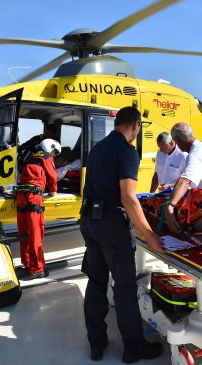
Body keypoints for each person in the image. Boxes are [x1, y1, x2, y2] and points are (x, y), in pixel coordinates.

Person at [80, 106, 164, 363]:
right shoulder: (127, 151)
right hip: (111, 226)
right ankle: (133, 349)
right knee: (125, 289)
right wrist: (149, 235)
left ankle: (96, 344)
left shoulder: (98, 148)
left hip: (89, 222)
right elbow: (128, 197)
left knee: (96, 283)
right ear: (136, 125)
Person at [163, 122, 202, 232]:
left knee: (164, 207)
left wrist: (170, 206)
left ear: (177, 140)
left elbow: (185, 181)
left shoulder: (195, 155)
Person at [16, 138, 60, 280]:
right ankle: (37, 269)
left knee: (24, 233)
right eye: (54, 153)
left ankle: (28, 265)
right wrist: (53, 191)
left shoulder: (31, 157)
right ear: (51, 149)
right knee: (35, 234)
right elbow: (53, 176)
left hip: (21, 196)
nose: (53, 156)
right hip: (34, 197)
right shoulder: (45, 157)